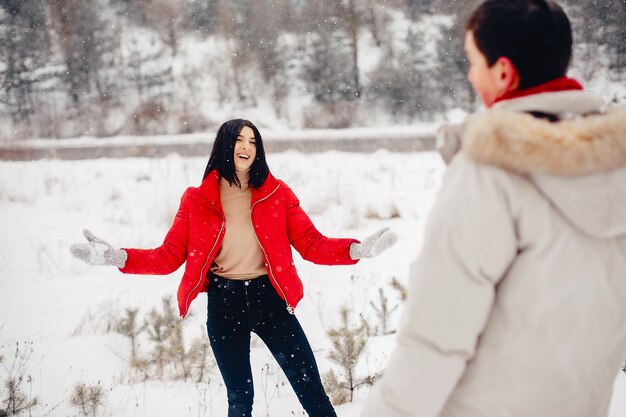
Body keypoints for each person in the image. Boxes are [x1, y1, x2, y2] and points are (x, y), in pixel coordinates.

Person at [361, 1, 626, 416]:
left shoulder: (491, 170)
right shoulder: (615, 167)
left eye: (473, 61)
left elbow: (435, 340)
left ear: (503, 72)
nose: (470, 74)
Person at [71, 119, 397, 417]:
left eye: (253, 141)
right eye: (239, 140)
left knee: (310, 387)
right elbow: (168, 256)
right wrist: (117, 257)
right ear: (224, 146)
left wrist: (357, 250)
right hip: (224, 304)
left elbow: (312, 243)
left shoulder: (276, 194)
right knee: (240, 398)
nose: (246, 147)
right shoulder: (197, 200)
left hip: (270, 301)